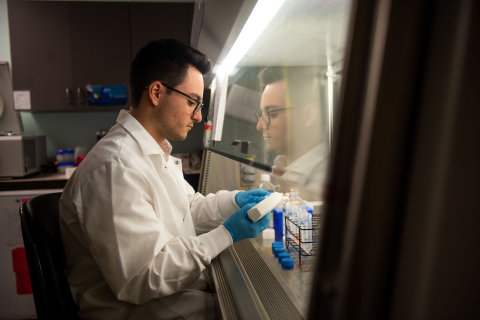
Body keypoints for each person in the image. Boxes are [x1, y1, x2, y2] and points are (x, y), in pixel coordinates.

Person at [60, 39, 271, 320]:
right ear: (157, 92)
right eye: (192, 102)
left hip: (166, 300)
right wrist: (227, 234)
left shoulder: (153, 151)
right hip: (138, 312)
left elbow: (188, 209)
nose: (198, 116)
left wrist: (233, 202)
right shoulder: (116, 168)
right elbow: (143, 277)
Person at [255, 66, 329, 189]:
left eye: (272, 114)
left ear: (308, 116)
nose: (259, 126)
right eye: (261, 114)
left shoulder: (322, 180)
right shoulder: (283, 167)